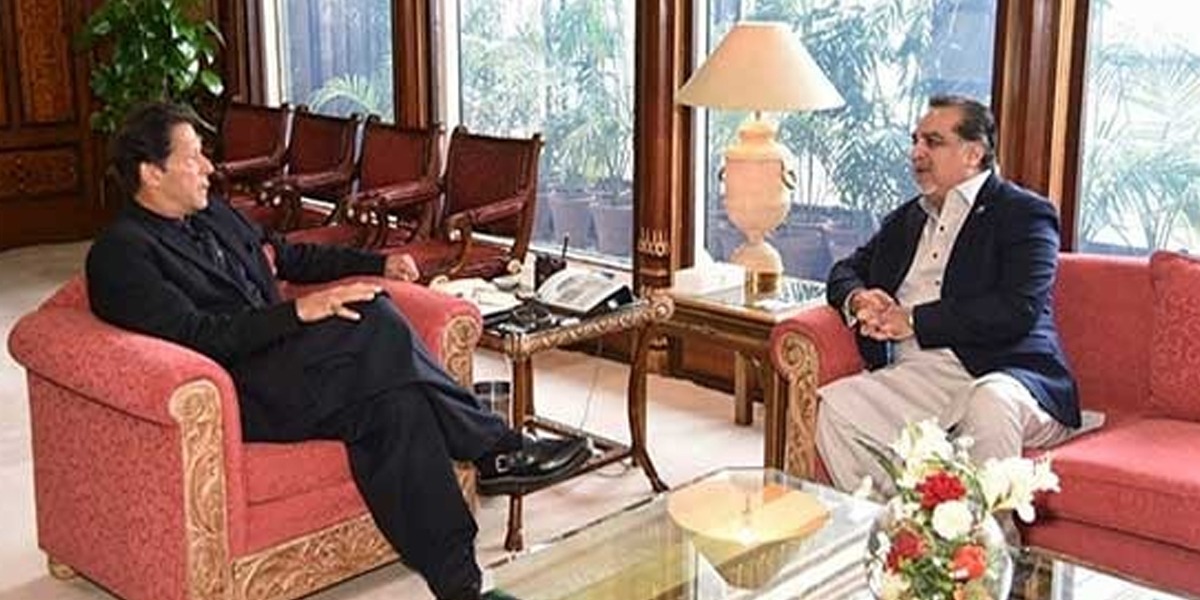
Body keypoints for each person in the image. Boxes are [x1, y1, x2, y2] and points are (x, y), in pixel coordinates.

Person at [85, 102, 590, 600]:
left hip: (286, 365)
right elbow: (196, 335)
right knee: (375, 320)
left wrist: (377, 264)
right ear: (151, 172)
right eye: (193, 157)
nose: (209, 168)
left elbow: (289, 255)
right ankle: (495, 448)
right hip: (238, 392)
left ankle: (461, 586)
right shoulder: (121, 254)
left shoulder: (213, 214)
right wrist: (298, 313)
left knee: (398, 405)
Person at [815, 95, 1081, 497]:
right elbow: (845, 271)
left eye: (933, 142)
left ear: (974, 153)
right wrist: (859, 299)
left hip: (1004, 373)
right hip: (919, 376)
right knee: (837, 409)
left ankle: (983, 534)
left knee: (989, 403)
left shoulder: (1023, 213)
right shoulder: (908, 218)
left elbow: (1018, 308)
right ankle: (902, 522)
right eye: (916, 140)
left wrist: (913, 320)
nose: (917, 152)